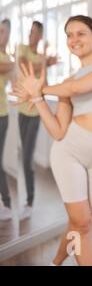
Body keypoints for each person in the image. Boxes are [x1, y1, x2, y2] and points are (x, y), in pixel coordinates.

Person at [12, 15, 92, 266]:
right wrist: (39, 101)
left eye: (81, 33)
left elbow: (77, 88)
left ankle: (55, 262)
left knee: (81, 222)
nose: (74, 40)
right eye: (69, 35)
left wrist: (39, 90)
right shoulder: (64, 84)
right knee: (82, 224)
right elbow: (58, 131)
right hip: (70, 151)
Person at [17, 20, 57, 220]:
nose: (30, 35)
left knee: (26, 157)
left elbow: (45, 83)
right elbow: (24, 66)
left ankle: (30, 200)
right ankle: (28, 197)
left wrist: (45, 63)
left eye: (34, 32)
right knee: (24, 154)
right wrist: (44, 62)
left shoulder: (41, 57)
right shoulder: (22, 49)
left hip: (35, 113)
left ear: (40, 35)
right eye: (29, 31)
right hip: (21, 109)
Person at [0, 19, 14, 221]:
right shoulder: (10, 60)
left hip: (1, 115)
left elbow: (10, 75)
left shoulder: (8, 58)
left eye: (3, 31)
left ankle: (7, 203)